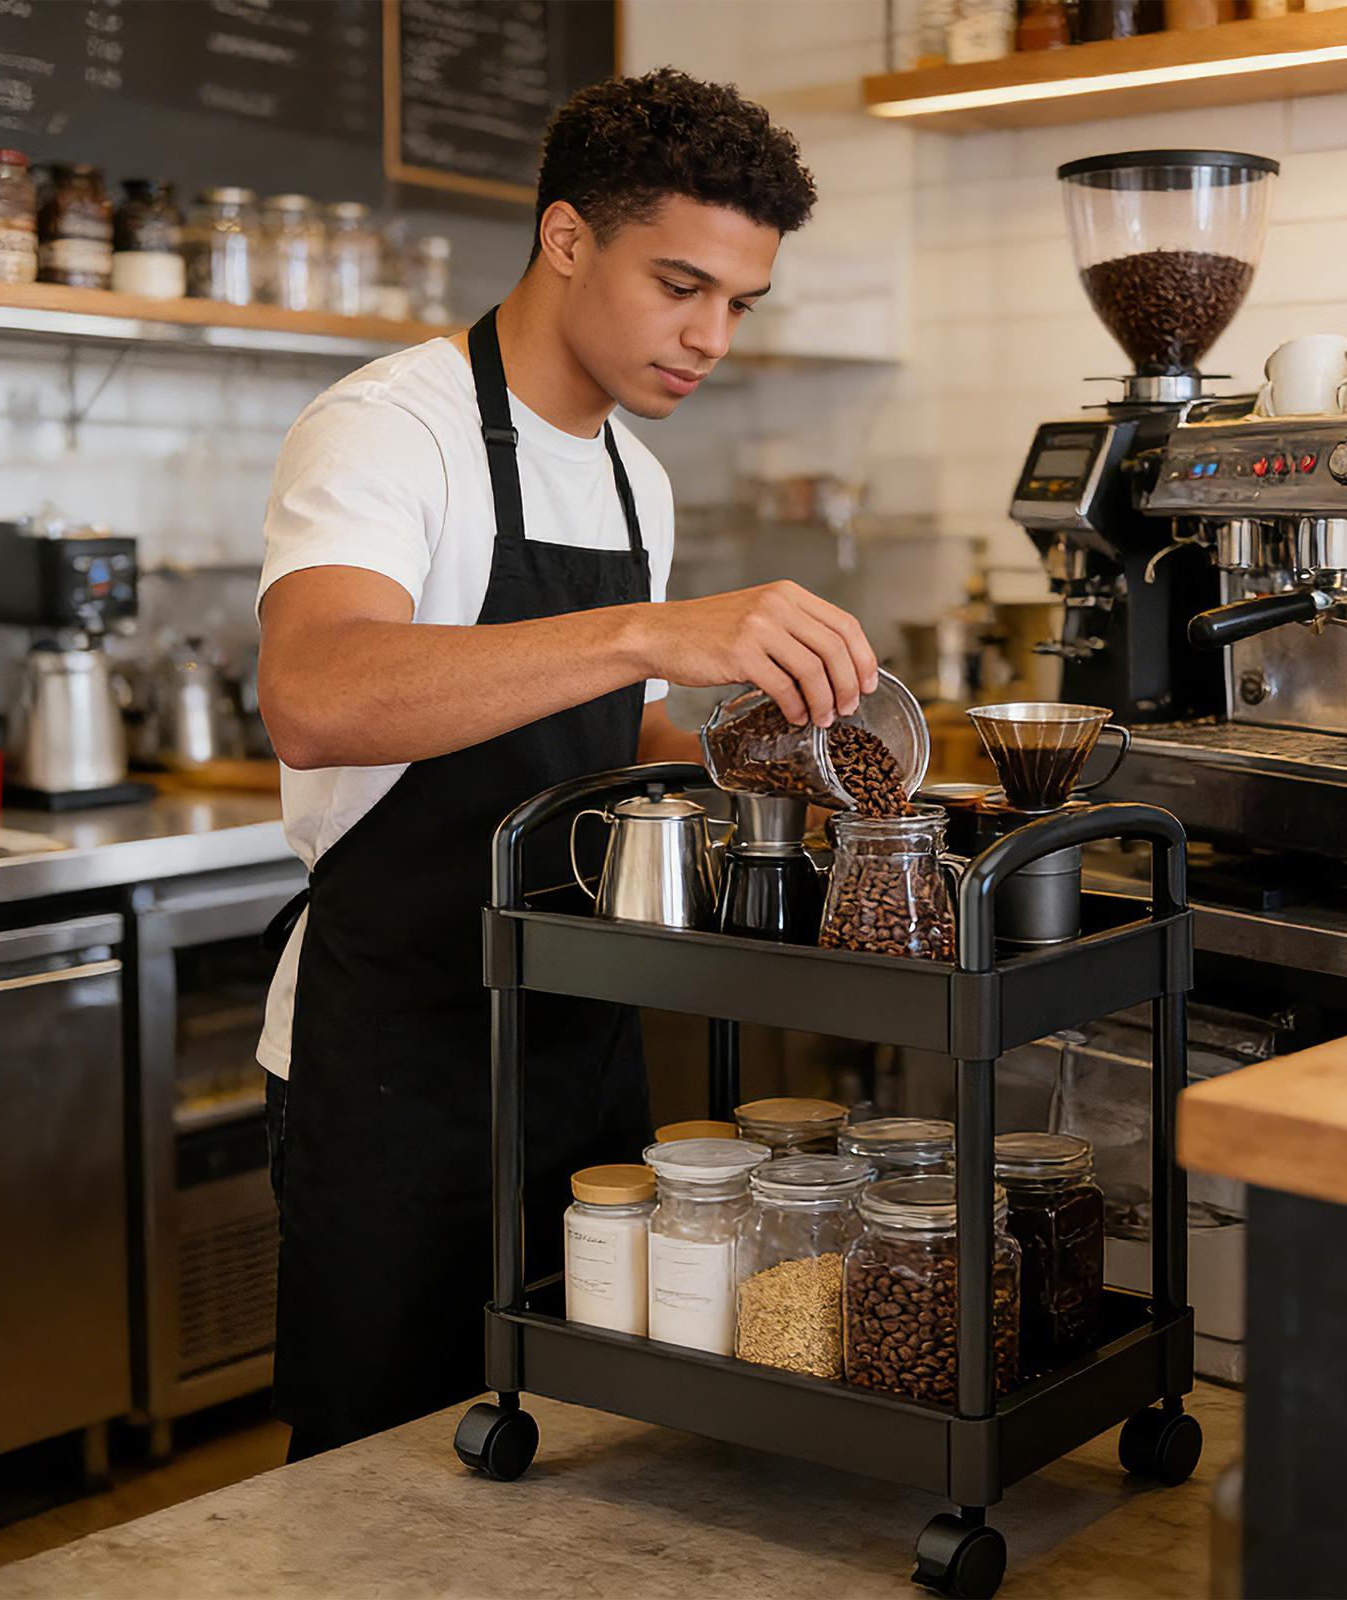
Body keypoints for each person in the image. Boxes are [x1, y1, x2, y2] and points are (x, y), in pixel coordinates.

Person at [254, 67, 879, 1461]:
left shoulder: (630, 477)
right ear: (567, 238)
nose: (710, 337)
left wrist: (780, 754)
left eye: (739, 304)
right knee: (380, 1470)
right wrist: (652, 627)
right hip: (398, 1062)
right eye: (680, 286)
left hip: (584, 1037)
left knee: (583, 1438)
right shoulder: (388, 428)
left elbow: (613, 730)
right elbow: (312, 695)